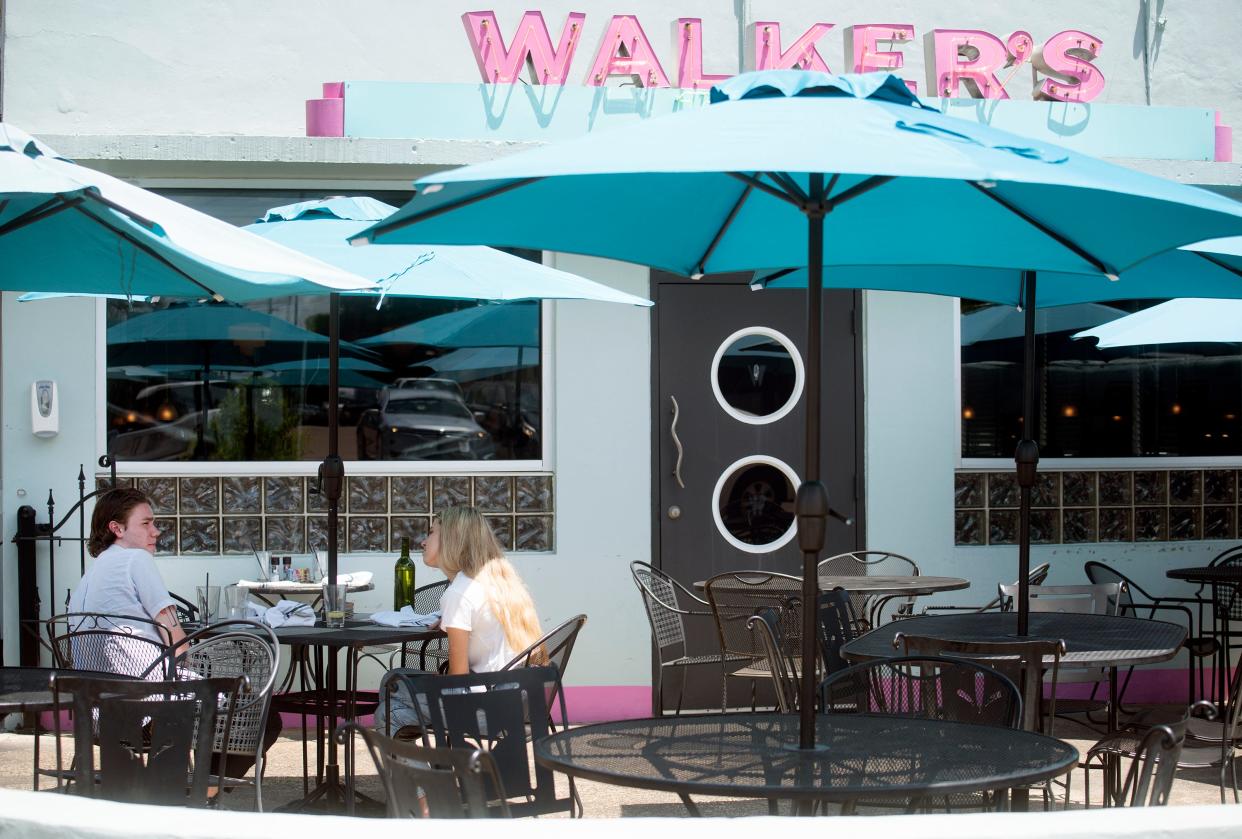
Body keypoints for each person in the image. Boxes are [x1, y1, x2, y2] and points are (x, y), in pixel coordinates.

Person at [377, 505, 544, 734]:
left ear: (452, 540)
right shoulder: (499, 582)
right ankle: (449, 768)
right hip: (523, 700)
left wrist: (439, 679)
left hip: (487, 708)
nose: (424, 542)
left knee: (392, 688)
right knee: (394, 705)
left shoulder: (459, 593)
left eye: (431, 532)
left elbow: (458, 681)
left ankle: (439, 769)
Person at [69, 487, 185, 665]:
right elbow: (177, 642)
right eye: (145, 523)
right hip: (149, 685)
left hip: (94, 688)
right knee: (232, 688)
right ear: (117, 528)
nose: (156, 531)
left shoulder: (91, 575)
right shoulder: (137, 558)